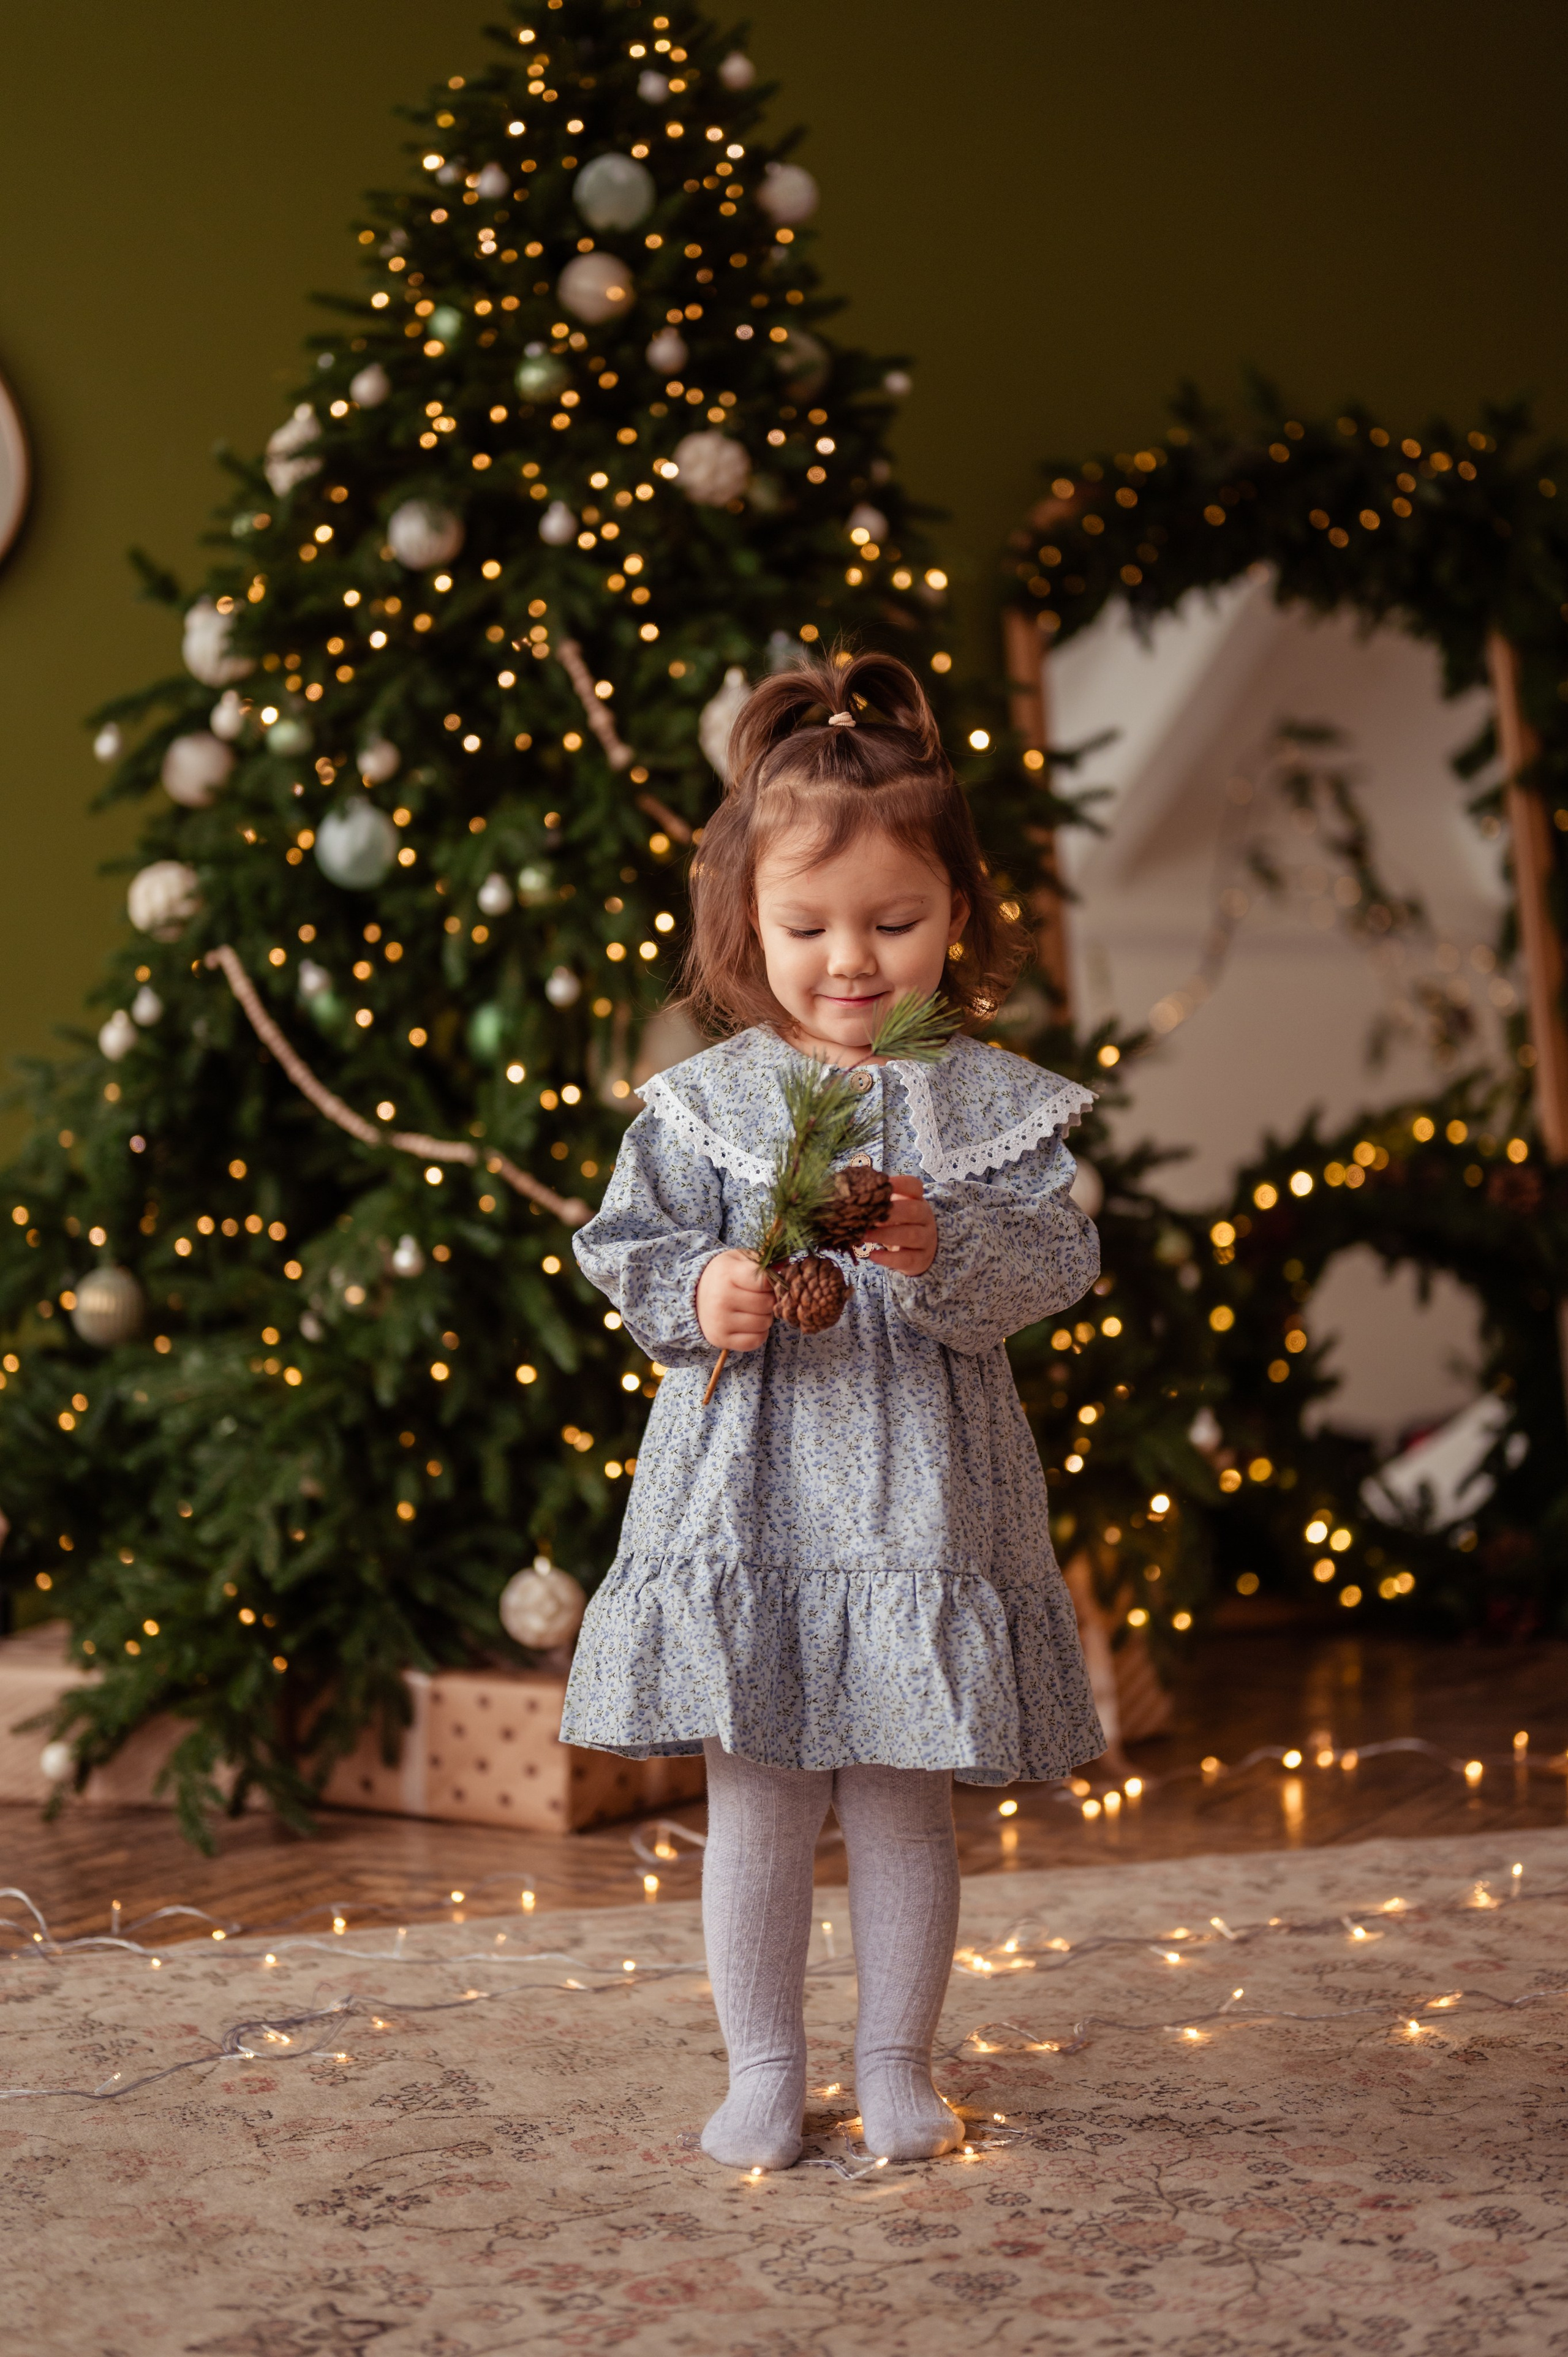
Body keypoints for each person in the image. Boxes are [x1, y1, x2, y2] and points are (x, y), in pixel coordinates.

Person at [561, 649, 1104, 2171]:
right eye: (806, 926)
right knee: (757, 1798)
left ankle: (895, 2063)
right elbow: (628, 1247)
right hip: (750, 1489)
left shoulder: (989, 1102)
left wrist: (946, 1250)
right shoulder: (710, 1099)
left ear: (958, 917)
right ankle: (760, 2063)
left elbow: (1058, 1253)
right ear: (748, 923)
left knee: (898, 1799)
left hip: (919, 1495)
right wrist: (709, 1286)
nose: (849, 960)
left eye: (893, 921)